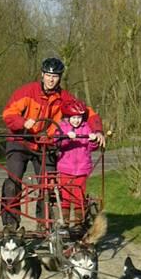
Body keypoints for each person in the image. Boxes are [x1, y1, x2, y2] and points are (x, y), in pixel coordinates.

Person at [1, 57, 105, 228]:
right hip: (20, 141)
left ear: (60, 78)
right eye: (48, 75)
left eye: (55, 76)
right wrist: (22, 122)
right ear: (42, 75)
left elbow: (87, 112)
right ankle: (10, 225)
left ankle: (44, 224)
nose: (51, 79)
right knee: (13, 181)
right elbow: (8, 114)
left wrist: (98, 130)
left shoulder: (65, 98)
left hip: (45, 145)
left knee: (48, 185)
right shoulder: (27, 91)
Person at [55, 98, 100, 229]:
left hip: (82, 168)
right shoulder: (62, 127)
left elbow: (92, 148)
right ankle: (64, 222)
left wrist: (93, 140)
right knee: (65, 196)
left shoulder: (86, 128)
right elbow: (57, 143)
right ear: (67, 117)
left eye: (79, 118)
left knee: (79, 196)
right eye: (73, 118)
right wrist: (67, 138)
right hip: (65, 168)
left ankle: (78, 223)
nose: (76, 120)